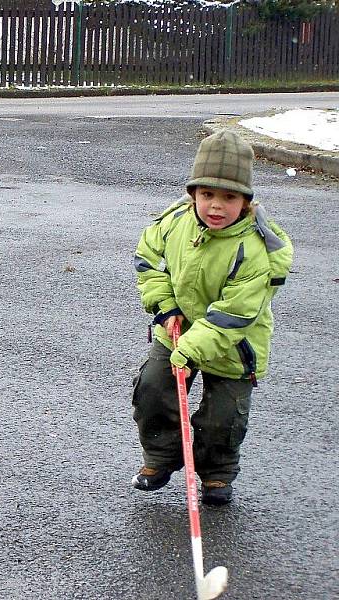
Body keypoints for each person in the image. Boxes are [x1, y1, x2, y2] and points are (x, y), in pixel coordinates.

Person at [131, 130, 293, 505]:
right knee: (154, 390)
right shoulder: (173, 223)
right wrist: (165, 307)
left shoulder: (255, 249)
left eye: (229, 197)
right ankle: (162, 456)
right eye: (207, 195)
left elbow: (236, 311)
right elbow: (148, 259)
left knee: (224, 417)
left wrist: (190, 348)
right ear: (192, 196)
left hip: (234, 340)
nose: (216, 206)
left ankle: (216, 473)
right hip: (178, 327)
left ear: (247, 202)